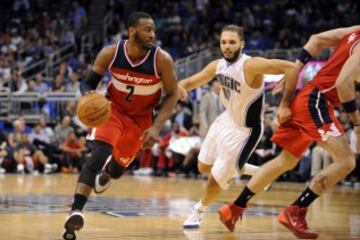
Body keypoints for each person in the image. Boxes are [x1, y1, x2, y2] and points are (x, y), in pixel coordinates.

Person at [218, 26, 360, 239]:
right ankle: (296, 211)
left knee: (286, 161)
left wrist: (296, 68)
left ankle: (235, 207)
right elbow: (343, 84)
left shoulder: (356, 31)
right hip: (317, 101)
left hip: (306, 97)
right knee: (346, 161)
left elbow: (316, 38)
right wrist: (357, 125)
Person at [62, 12, 178, 240]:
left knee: (116, 170)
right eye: (147, 29)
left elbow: (173, 94)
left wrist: (156, 127)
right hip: (112, 112)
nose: (152, 34)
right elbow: (87, 82)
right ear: (132, 30)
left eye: (153, 30)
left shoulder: (161, 59)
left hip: (142, 121)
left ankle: (107, 173)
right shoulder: (111, 53)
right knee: (97, 155)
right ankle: (75, 211)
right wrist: (90, 97)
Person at [178, 24, 299, 229]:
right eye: (224, 42)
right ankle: (260, 173)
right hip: (226, 120)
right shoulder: (218, 65)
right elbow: (193, 80)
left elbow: (292, 67)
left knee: (215, 181)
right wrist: (180, 86)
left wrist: (285, 102)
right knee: (203, 167)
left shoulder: (251, 65)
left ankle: (198, 212)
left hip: (245, 130)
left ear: (241, 44)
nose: (227, 46)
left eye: (232, 42)